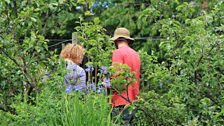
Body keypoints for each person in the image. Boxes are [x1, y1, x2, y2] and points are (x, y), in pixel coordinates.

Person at [110, 27, 141, 125]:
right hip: (134, 101)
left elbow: (117, 77)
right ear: (128, 40)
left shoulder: (117, 53)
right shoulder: (136, 54)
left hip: (120, 101)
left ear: (116, 40)